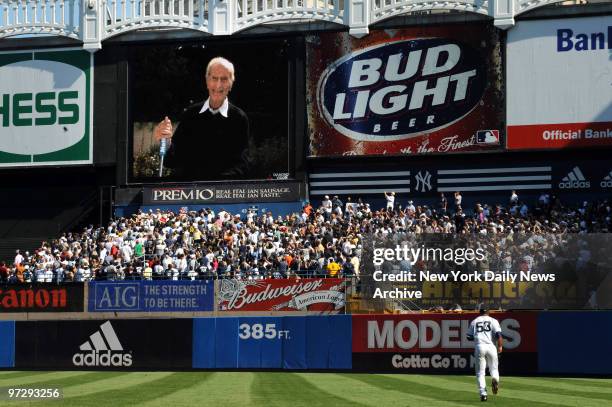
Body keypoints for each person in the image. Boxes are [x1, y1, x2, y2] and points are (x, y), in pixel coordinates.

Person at [154, 57, 250, 180]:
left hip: (222, 194)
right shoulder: (190, 114)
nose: (218, 84)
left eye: (224, 79)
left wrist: (214, 185)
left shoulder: (239, 118)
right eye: (214, 78)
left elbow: (242, 165)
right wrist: (166, 141)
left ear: (231, 84)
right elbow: (172, 161)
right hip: (190, 193)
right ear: (207, 82)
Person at [467, 305, 503, 402]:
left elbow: (468, 337)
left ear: (480, 311)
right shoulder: (493, 320)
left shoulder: (475, 321)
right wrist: (500, 346)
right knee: (494, 369)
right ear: (488, 311)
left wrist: (478, 336)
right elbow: (499, 335)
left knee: (480, 373)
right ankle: (495, 379)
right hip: (491, 346)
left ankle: (483, 394)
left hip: (480, 346)